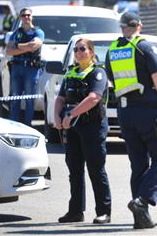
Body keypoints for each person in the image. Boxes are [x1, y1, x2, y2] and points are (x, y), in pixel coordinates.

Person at [105, 12, 157, 229]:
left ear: (121, 27)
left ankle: (140, 218)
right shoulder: (144, 47)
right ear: (139, 26)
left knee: (138, 165)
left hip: (125, 113)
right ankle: (142, 200)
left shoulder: (113, 50)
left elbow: (112, 79)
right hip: (148, 112)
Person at [54, 38, 112, 224]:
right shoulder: (71, 72)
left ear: (91, 52)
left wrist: (70, 115)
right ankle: (75, 211)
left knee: (96, 169)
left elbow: (94, 98)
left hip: (92, 125)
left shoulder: (98, 73)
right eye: (76, 50)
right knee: (74, 169)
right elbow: (60, 98)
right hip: (72, 127)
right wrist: (56, 116)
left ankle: (104, 211)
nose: (79, 52)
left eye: (83, 49)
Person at [6, 8, 44, 126]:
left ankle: (27, 125)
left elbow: (34, 46)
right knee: (15, 99)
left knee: (29, 99)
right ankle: (13, 126)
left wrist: (17, 46)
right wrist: (25, 47)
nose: (26, 17)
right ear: (20, 17)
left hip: (31, 69)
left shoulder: (38, 32)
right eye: (23, 15)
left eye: (28, 15)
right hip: (17, 67)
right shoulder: (16, 33)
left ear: (32, 17)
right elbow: (9, 51)